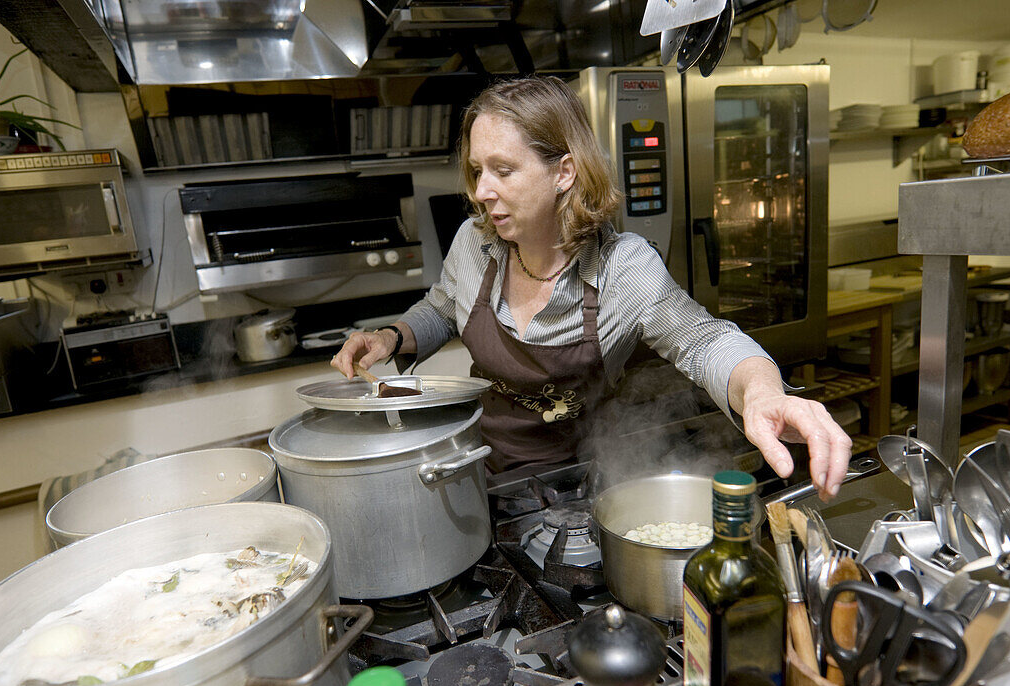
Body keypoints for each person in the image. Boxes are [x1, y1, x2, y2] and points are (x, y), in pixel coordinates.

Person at [332, 76, 851, 500]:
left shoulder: (621, 267)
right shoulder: (475, 242)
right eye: (476, 170)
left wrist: (762, 392)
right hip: (479, 467)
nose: (481, 191)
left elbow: (706, 340)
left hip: (582, 481)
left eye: (503, 170)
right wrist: (392, 337)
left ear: (563, 172)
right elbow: (444, 308)